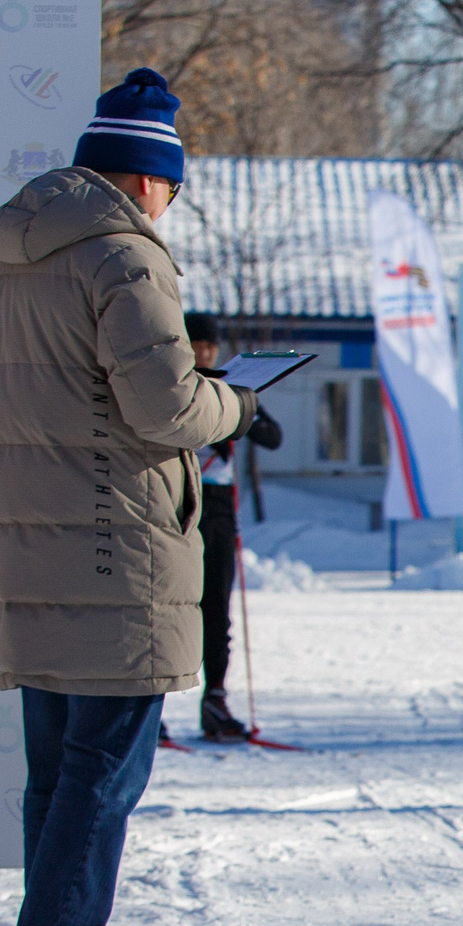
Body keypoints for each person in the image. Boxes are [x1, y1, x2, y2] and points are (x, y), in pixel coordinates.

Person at [0, 68, 257, 926]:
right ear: (146, 179)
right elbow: (168, 406)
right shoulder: (125, 260)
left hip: (29, 544)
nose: (171, 207)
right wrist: (240, 402)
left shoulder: (5, 255)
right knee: (107, 767)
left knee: (56, 770)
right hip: (113, 546)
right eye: (175, 188)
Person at [182, 312, 281, 742]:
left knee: (216, 610)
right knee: (168, 608)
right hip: (176, 502)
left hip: (218, 505)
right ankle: (152, 710)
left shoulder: (229, 387)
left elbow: (272, 436)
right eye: (196, 346)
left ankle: (215, 700)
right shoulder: (172, 386)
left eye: (209, 346)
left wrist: (245, 405)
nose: (204, 353)